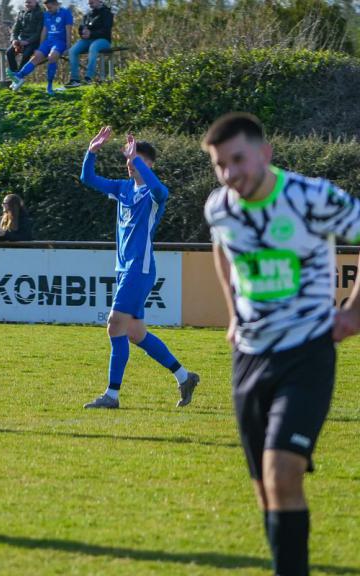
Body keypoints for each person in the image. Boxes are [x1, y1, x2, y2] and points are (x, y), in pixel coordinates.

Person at [202, 112, 360, 576]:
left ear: (265, 154)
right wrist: (234, 313)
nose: (230, 173)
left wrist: (354, 311)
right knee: (264, 488)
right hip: (249, 358)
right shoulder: (219, 207)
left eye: (238, 160)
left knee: (282, 473)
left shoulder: (310, 197)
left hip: (306, 352)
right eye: (220, 165)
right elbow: (221, 247)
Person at [80, 126, 199, 409]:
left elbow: (159, 189)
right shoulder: (122, 189)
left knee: (114, 325)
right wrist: (92, 152)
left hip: (139, 269)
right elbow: (88, 178)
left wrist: (136, 160)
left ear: (150, 165)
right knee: (134, 332)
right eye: (130, 158)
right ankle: (184, 377)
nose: (131, 163)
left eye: (139, 159)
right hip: (124, 269)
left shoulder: (154, 195)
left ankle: (112, 395)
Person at [9, 0, 73, 95]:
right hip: (48, 42)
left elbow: (68, 30)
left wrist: (68, 46)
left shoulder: (66, 13)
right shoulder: (46, 14)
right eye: (46, 8)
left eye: (50, 8)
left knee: (52, 57)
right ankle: (19, 76)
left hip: (59, 42)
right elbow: (44, 30)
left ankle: (49, 86)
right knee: (36, 56)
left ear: (56, 4)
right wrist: (41, 46)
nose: (48, 10)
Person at [65, 0, 113, 87]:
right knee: (72, 51)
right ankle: (75, 80)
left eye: (92, 3)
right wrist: (83, 33)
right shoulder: (87, 15)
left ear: (99, 1)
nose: (90, 5)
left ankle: (89, 78)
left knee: (93, 47)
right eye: (89, 3)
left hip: (103, 40)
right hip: (88, 40)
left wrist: (91, 33)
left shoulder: (107, 13)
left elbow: (106, 30)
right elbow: (81, 28)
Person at [6, 0, 45, 75]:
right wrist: (14, 40)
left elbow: (39, 32)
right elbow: (15, 29)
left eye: (29, 2)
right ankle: (14, 72)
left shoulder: (41, 14)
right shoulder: (21, 13)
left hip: (34, 41)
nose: (27, 4)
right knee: (9, 52)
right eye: (26, 2)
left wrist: (27, 41)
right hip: (21, 40)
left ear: (36, 2)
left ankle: (20, 75)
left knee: (26, 54)